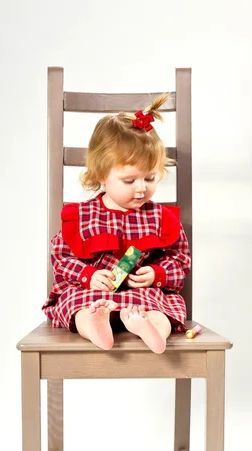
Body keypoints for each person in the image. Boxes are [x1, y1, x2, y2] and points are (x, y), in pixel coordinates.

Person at [42, 93, 191, 354]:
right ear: (102, 174)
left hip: (143, 298)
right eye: (130, 180)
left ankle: (153, 328)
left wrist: (157, 274)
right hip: (92, 294)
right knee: (76, 303)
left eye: (150, 178)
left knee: (163, 307)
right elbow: (61, 257)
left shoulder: (160, 218)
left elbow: (180, 258)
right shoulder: (83, 216)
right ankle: (93, 323)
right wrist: (87, 276)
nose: (141, 189)